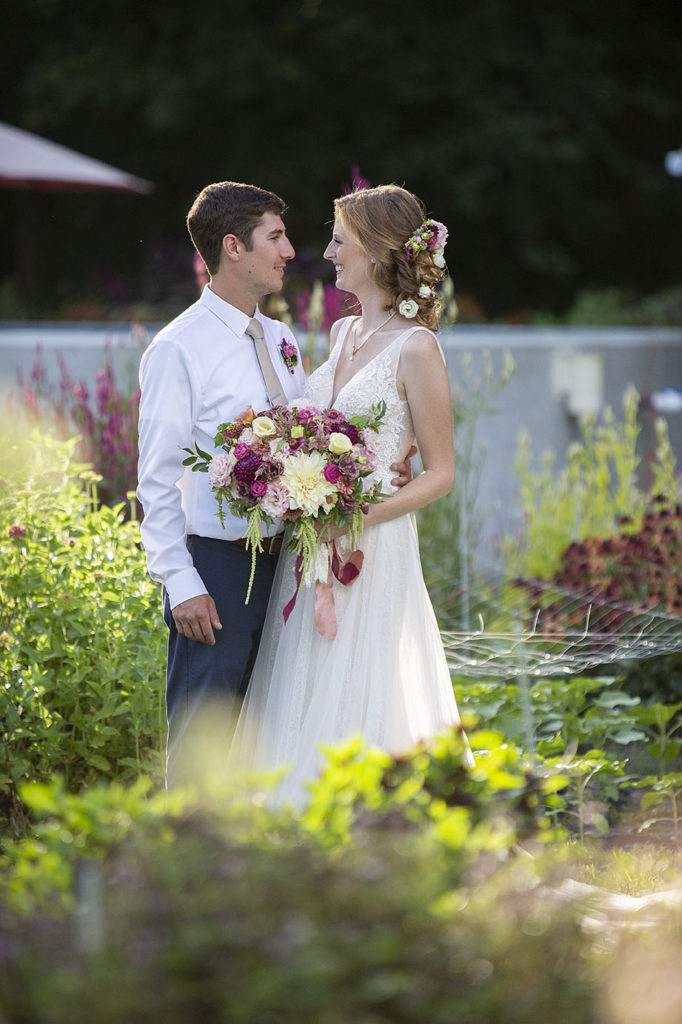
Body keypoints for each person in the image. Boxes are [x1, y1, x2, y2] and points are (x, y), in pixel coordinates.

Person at [137, 181, 412, 788]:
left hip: (290, 563)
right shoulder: (177, 349)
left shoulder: (283, 341)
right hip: (218, 570)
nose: (291, 250)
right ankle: (181, 873)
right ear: (233, 247)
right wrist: (181, 584)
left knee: (267, 740)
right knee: (202, 742)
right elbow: (154, 483)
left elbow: (312, 436)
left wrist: (386, 457)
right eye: (276, 236)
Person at [229, 184, 473, 805]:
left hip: (373, 548)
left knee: (362, 684)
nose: (330, 251)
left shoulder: (417, 347)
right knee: (303, 681)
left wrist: (357, 516)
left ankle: (367, 827)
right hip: (311, 547)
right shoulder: (342, 334)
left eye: (341, 239)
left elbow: (440, 471)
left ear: (378, 250)